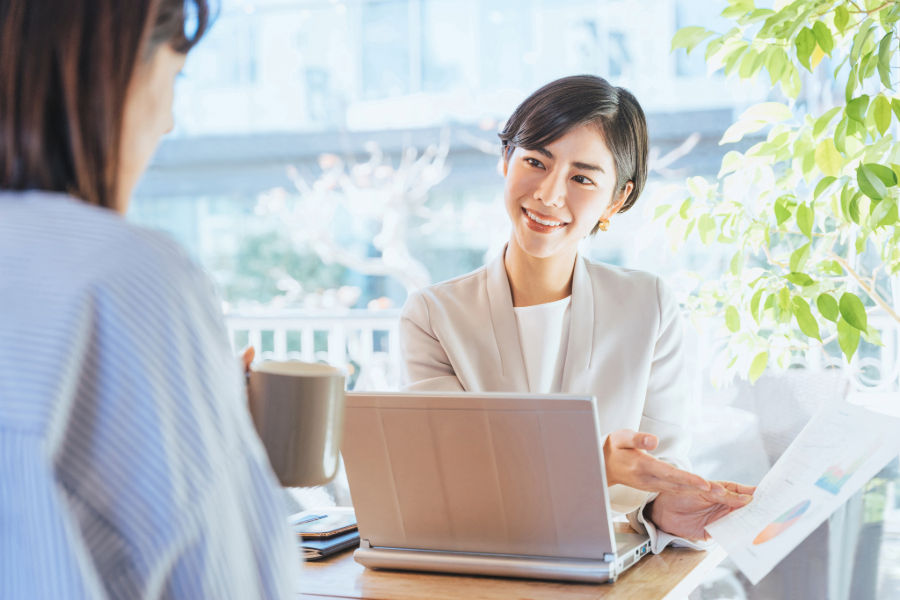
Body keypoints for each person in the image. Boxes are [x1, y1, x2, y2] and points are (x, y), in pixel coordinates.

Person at [0, 1, 298, 598]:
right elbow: (236, 582)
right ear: (106, 76)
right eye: (175, 78)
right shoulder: (121, 275)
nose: (167, 122)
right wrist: (216, 439)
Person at [399, 75, 754, 551]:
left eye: (582, 177)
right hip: (478, 566)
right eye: (535, 161)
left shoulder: (648, 306)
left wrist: (670, 510)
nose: (549, 194)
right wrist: (595, 467)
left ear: (618, 199)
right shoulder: (433, 315)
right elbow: (449, 483)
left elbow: (657, 478)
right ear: (506, 161)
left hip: (602, 570)